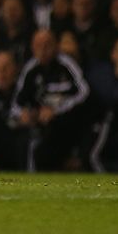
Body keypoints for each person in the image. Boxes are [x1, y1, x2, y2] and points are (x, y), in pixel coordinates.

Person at [12, 29, 91, 170]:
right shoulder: (30, 69)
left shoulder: (67, 64)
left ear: (56, 45)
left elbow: (84, 93)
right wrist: (25, 114)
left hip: (68, 121)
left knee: (47, 145)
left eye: (47, 45)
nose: (43, 50)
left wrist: (56, 111)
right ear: (32, 48)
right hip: (39, 123)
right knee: (21, 139)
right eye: (38, 46)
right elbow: (17, 103)